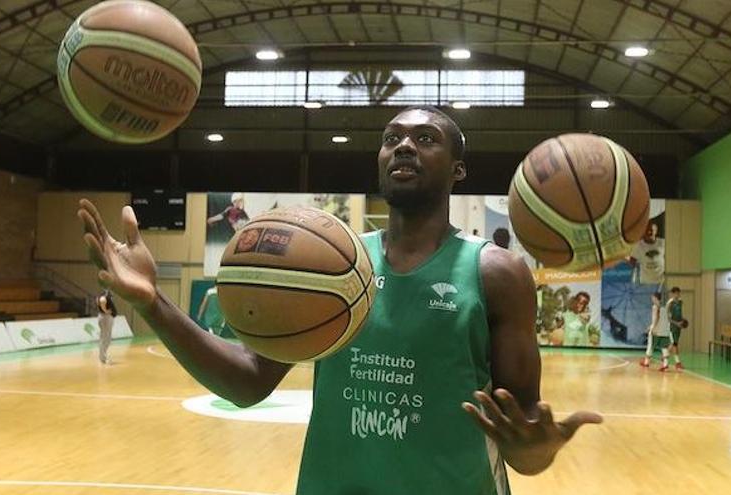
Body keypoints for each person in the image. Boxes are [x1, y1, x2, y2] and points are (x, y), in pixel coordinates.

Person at [78, 106, 601, 494]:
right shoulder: (328, 266)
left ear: (458, 170)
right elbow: (248, 380)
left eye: (426, 138)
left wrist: (538, 448)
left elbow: (523, 436)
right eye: (391, 138)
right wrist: (153, 304)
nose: (403, 146)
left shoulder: (495, 272)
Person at [640, 292, 672, 371]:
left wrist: (652, 327)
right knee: (664, 347)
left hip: (657, 330)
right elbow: (668, 318)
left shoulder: (655, 307)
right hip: (665, 331)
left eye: (652, 298)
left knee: (650, 346)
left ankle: (646, 362)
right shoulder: (665, 308)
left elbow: (656, 318)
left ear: (655, 298)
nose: (652, 299)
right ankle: (665, 365)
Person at [628, 221, 665, 286]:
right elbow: (632, 261)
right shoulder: (637, 245)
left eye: (651, 230)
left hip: (662, 282)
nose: (649, 232)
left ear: (656, 231)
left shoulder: (663, 243)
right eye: (646, 230)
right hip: (645, 283)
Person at [665, 287, 685, 371]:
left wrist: (682, 321)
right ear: (672, 294)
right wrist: (677, 323)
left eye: (678, 293)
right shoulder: (670, 303)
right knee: (675, 344)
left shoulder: (680, 302)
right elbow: (668, 318)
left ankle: (665, 356)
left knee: (674, 343)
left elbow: (680, 313)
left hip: (679, 326)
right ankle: (677, 363)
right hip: (672, 326)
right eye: (676, 293)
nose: (677, 294)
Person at [97, 290, 117, 365]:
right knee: (104, 337)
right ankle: (103, 357)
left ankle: (103, 356)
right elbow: (102, 302)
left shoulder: (105, 297)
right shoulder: (103, 297)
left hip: (108, 317)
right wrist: (105, 311)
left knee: (107, 338)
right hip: (105, 317)